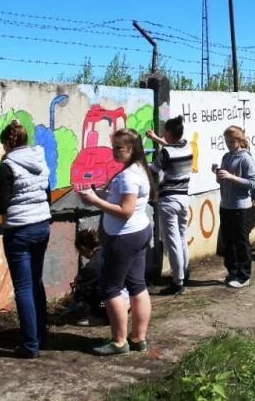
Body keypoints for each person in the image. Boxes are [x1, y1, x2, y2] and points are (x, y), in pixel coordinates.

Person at [79, 128, 156, 355]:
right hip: (139, 233)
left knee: (111, 288)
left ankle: (119, 342)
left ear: (130, 149)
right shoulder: (139, 169)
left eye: (118, 148)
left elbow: (125, 211)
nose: (114, 152)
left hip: (124, 238)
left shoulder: (129, 176)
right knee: (137, 285)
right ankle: (138, 339)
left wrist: (94, 200)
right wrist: (105, 194)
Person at [0, 119, 52, 359]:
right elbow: (47, 193)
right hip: (41, 226)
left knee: (24, 288)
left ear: (8, 142)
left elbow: (1, 204)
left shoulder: (8, 165)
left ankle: (30, 344)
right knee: (36, 281)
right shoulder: (40, 158)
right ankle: (41, 331)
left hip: (18, 230)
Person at [147, 115, 193, 296]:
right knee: (182, 238)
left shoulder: (165, 153)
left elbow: (153, 170)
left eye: (164, 132)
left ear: (168, 132)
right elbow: (172, 145)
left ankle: (177, 282)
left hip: (169, 200)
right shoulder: (187, 146)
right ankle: (184, 273)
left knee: (172, 241)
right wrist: (157, 139)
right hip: (184, 198)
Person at [215, 125, 255, 288]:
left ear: (239, 141)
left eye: (232, 141)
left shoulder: (246, 159)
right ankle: (232, 272)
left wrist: (232, 177)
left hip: (241, 207)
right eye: (226, 141)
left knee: (241, 241)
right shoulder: (226, 157)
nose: (229, 144)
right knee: (228, 241)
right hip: (225, 204)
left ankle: (244, 275)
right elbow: (222, 180)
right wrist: (219, 175)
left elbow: (252, 184)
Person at [69, 228, 129, 327]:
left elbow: (80, 293)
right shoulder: (110, 250)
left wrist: (78, 285)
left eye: (80, 251)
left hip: (113, 301)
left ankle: (100, 316)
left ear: (83, 248)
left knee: (87, 290)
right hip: (128, 294)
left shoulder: (90, 268)